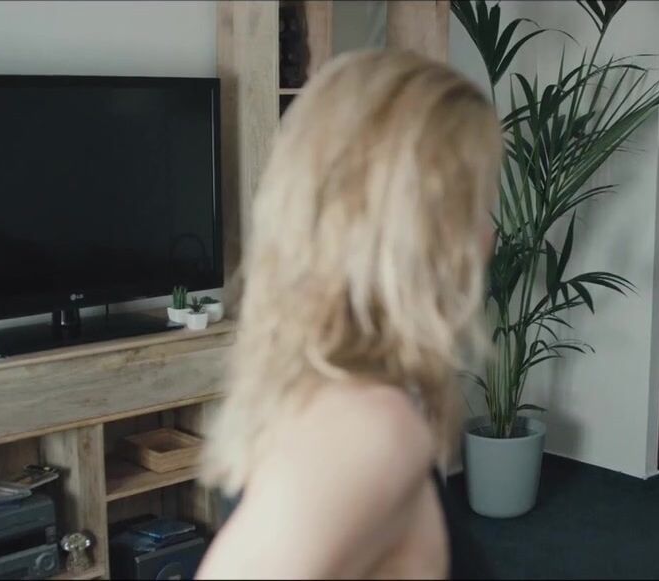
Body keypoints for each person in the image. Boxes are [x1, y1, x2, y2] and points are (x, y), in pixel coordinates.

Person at [197, 50, 503, 579]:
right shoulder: (370, 427)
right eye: (472, 208)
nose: (488, 237)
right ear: (410, 232)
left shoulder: (317, 384)